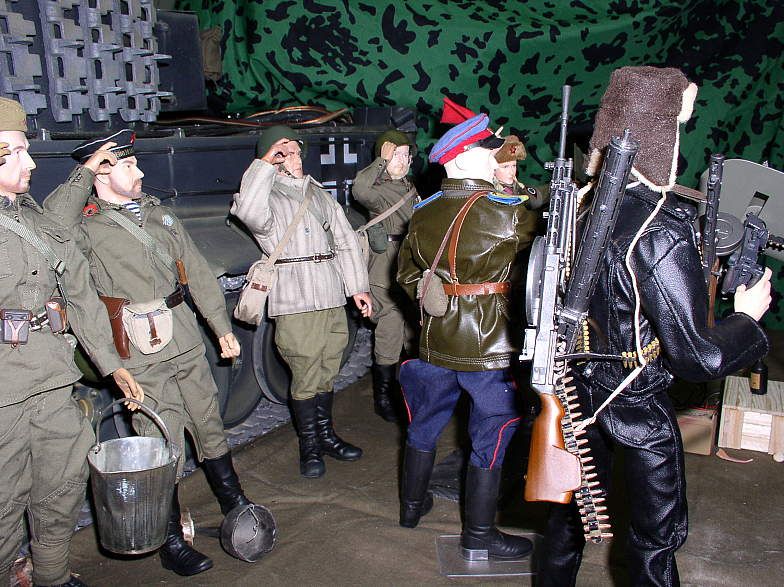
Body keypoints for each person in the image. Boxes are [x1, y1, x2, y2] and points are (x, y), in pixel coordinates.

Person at [538, 66, 773, 586]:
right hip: (634, 399)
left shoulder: (579, 205)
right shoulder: (658, 229)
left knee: (567, 524)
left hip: (577, 388)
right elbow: (699, 356)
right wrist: (746, 317)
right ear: (664, 131)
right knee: (655, 539)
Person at [43, 129, 258, 577]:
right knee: (161, 442)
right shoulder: (85, 228)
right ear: (102, 173)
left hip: (184, 341)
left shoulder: (160, 215)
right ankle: (170, 538)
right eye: (127, 165)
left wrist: (221, 328)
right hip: (139, 355)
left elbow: (198, 273)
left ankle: (234, 502)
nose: (140, 172)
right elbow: (55, 229)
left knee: (208, 421)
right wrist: (86, 171)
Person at [0, 98, 141, 587]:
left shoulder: (29, 216)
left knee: (60, 487)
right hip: (5, 395)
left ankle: (52, 575)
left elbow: (75, 283)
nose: (31, 163)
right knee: (4, 501)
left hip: (51, 379)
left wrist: (111, 363)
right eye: (14, 153)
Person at [396, 100, 538, 560]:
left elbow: (406, 275)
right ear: (462, 158)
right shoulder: (509, 212)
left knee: (423, 423)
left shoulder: (423, 211)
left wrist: (434, 290)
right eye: (487, 152)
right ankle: (478, 534)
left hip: (434, 339)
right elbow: (540, 266)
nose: (497, 158)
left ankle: (410, 509)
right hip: (489, 344)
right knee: (492, 432)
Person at [231, 125, 372, 479]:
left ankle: (326, 435)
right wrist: (265, 165)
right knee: (306, 371)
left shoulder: (318, 194)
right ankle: (309, 444)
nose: (294, 157)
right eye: (284, 152)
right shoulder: (266, 196)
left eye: (295, 151)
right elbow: (248, 212)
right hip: (295, 297)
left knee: (328, 366)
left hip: (330, 294)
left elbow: (344, 240)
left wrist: (358, 287)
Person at [352, 130, 419, 422]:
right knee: (389, 331)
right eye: (395, 155)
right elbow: (359, 189)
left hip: (410, 266)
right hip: (385, 270)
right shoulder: (378, 190)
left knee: (412, 332)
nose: (401, 160)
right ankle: (384, 397)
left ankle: (407, 392)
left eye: (405, 155)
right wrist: (381, 161)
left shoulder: (411, 187)